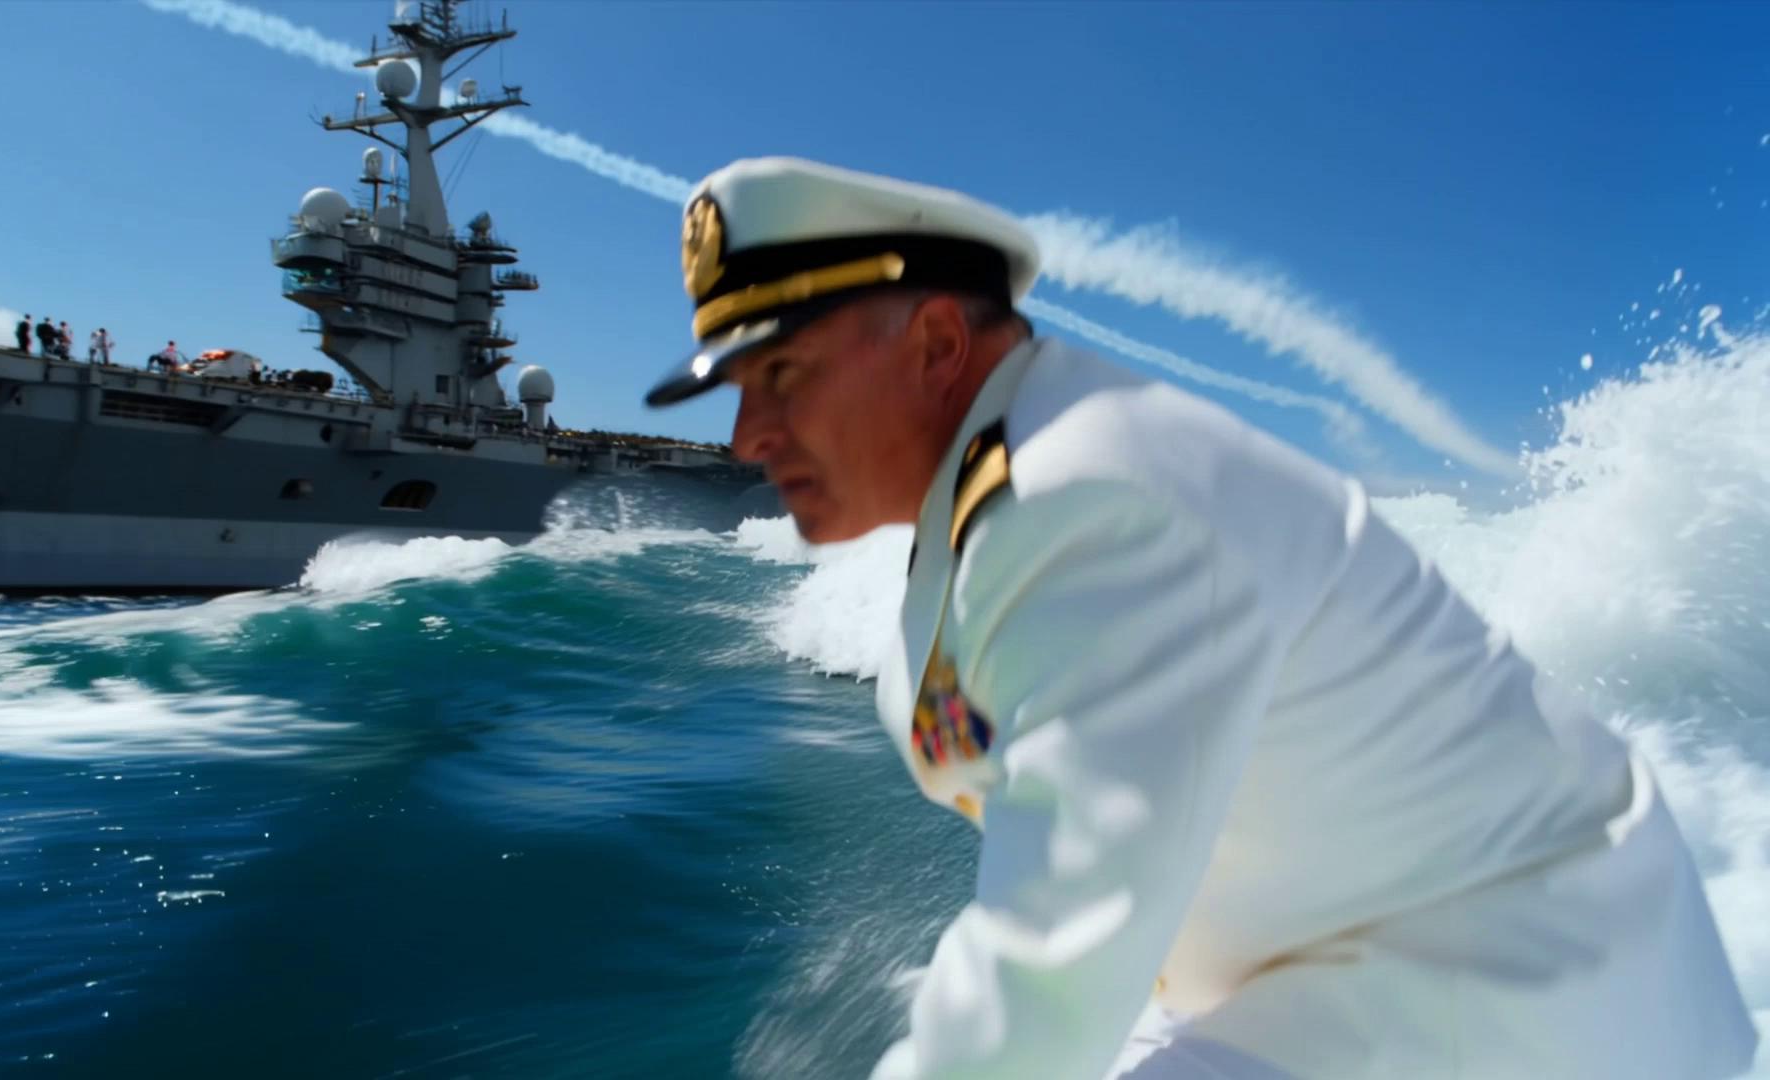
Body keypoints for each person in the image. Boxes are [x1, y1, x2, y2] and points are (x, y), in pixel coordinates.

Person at [642, 158, 1758, 1080]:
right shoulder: (994, 491)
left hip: (1526, 992)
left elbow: (1052, 971)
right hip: (1317, 963)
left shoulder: (1091, 499)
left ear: (937, 347)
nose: (747, 436)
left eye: (782, 375)